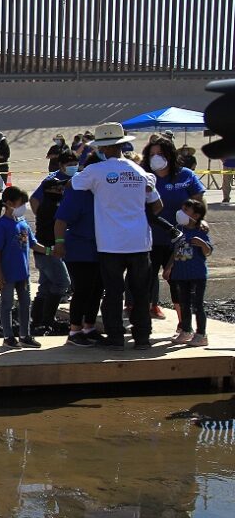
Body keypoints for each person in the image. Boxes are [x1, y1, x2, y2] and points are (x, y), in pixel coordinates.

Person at [71, 122, 163, 351]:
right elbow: (157, 205)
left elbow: (75, 183)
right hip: (140, 241)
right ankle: (142, 337)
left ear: (103, 148)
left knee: (113, 293)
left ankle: (115, 338)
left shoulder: (96, 171)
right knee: (140, 293)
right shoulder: (140, 172)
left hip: (111, 243)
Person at [142, 137, 204, 322]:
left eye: (160, 154)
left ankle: (184, 325)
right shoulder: (142, 175)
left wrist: (200, 221)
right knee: (145, 281)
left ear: (170, 155)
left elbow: (199, 200)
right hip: (148, 239)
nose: (156, 158)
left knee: (179, 283)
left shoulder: (185, 175)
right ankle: (143, 321)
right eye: (152, 154)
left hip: (179, 240)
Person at [29, 150, 76, 334]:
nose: (60, 190)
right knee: (62, 283)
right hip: (49, 251)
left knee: (46, 285)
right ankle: (47, 320)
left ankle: (37, 321)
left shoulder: (47, 206)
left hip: (44, 252)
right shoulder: (52, 207)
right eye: (57, 189)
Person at [0, 186, 42, 349]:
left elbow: (33, 244)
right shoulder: (1, 225)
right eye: (21, 203)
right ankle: (8, 336)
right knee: (7, 304)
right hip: (7, 273)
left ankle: (25, 335)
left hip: (23, 273)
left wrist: (50, 251)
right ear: (9, 203)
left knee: (25, 304)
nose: (23, 207)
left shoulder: (23, 222)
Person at [54, 180, 104, 347]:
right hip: (79, 249)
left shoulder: (105, 193)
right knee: (83, 289)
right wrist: (59, 243)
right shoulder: (78, 194)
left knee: (97, 290)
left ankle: (89, 327)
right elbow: (61, 221)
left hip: (100, 249)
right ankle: (75, 331)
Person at [164, 199, 212, 346]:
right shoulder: (180, 231)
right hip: (181, 274)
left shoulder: (201, 231)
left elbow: (208, 251)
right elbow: (175, 251)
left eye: (186, 210)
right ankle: (186, 330)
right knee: (184, 304)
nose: (181, 213)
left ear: (196, 215)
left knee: (198, 304)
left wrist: (202, 244)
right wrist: (169, 267)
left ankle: (201, 334)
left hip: (196, 274)